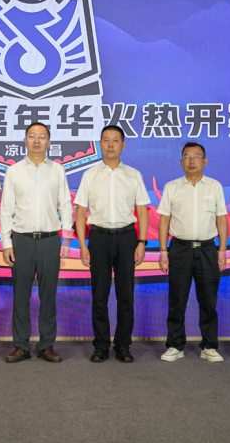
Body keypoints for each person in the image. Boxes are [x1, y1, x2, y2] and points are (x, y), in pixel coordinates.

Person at [74, 125, 151, 363]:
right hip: (98, 238)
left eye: (115, 140)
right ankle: (101, 346)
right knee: (100, 295)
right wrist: (83, 245)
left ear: (123, 145)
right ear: (100, 144)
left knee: (125, 295)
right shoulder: (90, 175)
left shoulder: (134, 175)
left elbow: (142, 211)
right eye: (106, 140)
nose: (110, 145)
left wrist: (141, 242)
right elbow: (80, 213)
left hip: (128, 238)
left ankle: (123, 345)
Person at [0, 123, 73, 363]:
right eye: (32, 136)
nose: (37, 140)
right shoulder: (14, 171)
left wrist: (66, 238)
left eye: (42, 137)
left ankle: (46, 345)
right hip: (21, 240)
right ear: (25, 141)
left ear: (49, 142)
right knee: (20, 295)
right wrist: (6, 242)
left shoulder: (57, 170)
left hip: (50, 241)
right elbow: (6, 208)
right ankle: (21, 345)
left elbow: (65, 204)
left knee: (48, 295)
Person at [156, 142, 229, 363]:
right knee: (177, 300)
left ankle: (209, 346)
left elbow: (221, 219)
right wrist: (163, 251)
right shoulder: (172, 187)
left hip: (207, 249)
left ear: (205, 161)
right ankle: (175, 345)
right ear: (181, 162)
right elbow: (164, 220)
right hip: (179, 249)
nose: (191, 161)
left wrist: (222, 251)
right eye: (187, 156)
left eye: (196, 156)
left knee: (208, 300)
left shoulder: (214, 186)